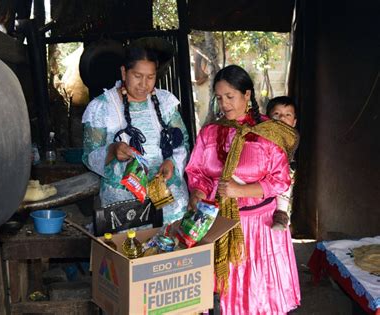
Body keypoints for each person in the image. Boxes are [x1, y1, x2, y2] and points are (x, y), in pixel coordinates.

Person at [185, 65, 300, 314]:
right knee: (224, 294)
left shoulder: (268, 133)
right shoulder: (210, 132)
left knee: (259, 294)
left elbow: (281, 180)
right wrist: (199, 192)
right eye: (219, 98)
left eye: (230, 97)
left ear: (247, 95)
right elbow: (199, 173)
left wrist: (241, 191)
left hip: (259, 227)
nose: (224, 104)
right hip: (219, 223)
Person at [82, 39, 189, 224]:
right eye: (137, 76)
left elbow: (183, 142)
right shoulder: (101, 107)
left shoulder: (165, 103)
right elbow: (89, 156)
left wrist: (171, 162)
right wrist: (112, 150)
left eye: (150, 77)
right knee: (131, 248)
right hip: (123, 205)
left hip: (169, 199)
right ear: (124, 72)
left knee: (169, 248)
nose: (144, 84)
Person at [266, 96, 298, 231]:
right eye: (277, 114)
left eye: (287, 115)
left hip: (283, 170)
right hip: (267, 169)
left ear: (294, 122)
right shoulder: (264, 133)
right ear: (267, 118)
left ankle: (281, 214)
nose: (282, 118)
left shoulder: (292, 135)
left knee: (284, 190)